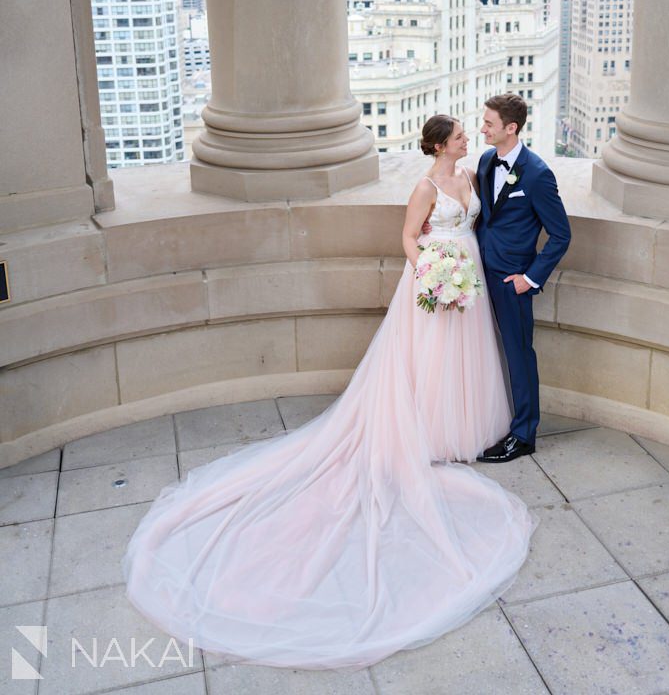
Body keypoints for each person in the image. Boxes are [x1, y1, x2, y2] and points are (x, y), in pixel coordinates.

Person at [123, 114, 534, 670]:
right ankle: (428, 430)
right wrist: (432, 273)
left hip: (473, 280)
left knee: (468, 359)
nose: (467, 138)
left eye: (470, 132)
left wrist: (463, 267)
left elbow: (479, 223)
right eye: (459, 134)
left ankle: (463, 428)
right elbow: (410, 239)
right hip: (436, 284)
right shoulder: (424, 186)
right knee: (431, 362)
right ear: (438, 145)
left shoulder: (475, 174)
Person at [476, 94, 571, 463]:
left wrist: (529, 278)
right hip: (477, 273)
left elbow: (561, 234)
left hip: (510, 280)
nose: (482, 128)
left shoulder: (537, 173)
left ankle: (524, 434)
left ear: (510, 128)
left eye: (488, 123)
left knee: (519, 356)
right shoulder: (486, 161)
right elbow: (483, 215)